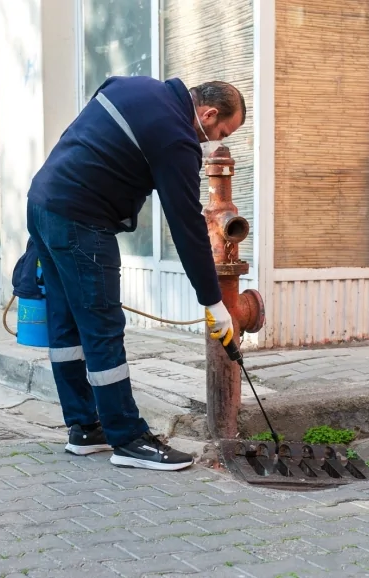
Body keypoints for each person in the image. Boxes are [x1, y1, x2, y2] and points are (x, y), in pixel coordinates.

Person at [26, 75, 246, 471]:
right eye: (220, 131)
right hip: (81, 220)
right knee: (101, 326)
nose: (212, 141)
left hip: (44, 201)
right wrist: (213, 302)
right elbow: (187, 225)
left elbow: (81, 140)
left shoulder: (131, 85)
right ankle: (127, 439)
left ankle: (84, 428)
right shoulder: (177, 136)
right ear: (208, 112)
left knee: (67, 325)